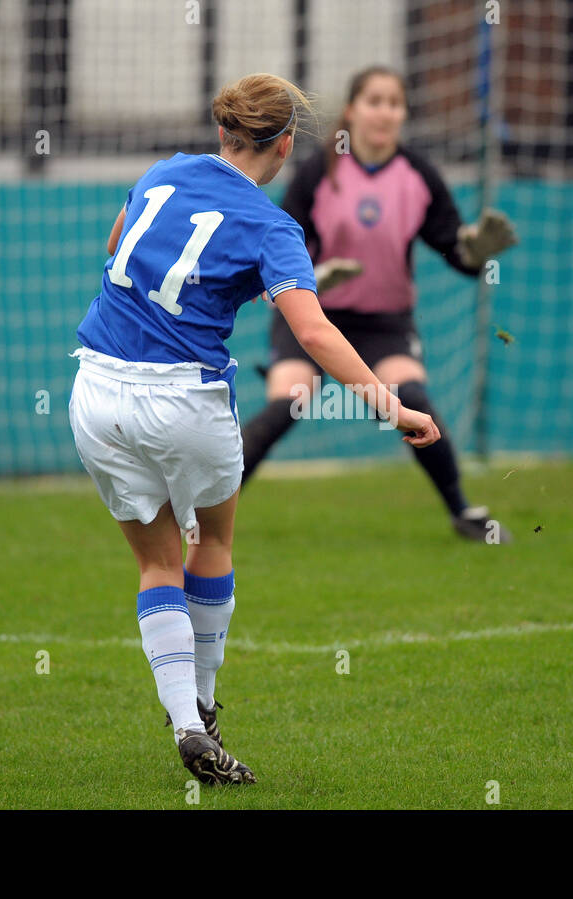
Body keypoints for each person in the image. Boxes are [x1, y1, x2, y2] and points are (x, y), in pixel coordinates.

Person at [67, 73, 440, 785]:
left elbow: (116, 247)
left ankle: (184, 721)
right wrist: (393, 405)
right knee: (210, 543)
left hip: (98, 386)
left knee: (155, 562)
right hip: (185, 399)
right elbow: (313, 332)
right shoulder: (273, 225)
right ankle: (203, 706)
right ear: (286, 143)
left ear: (222, 133)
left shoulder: (164, 171)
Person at [240, 65, 519, 543]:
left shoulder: (418, 174)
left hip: (384, 321)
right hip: (315, 314)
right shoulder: (319, 170)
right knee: (290, 401)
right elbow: (279, 242)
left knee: (410, 400)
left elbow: (454, 247)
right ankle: (204, 510)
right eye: (374, 100)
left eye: (394, 102)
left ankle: (463, 511)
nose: (385, 112)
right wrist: (316, 277)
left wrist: (474, 251)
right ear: (352, 109)